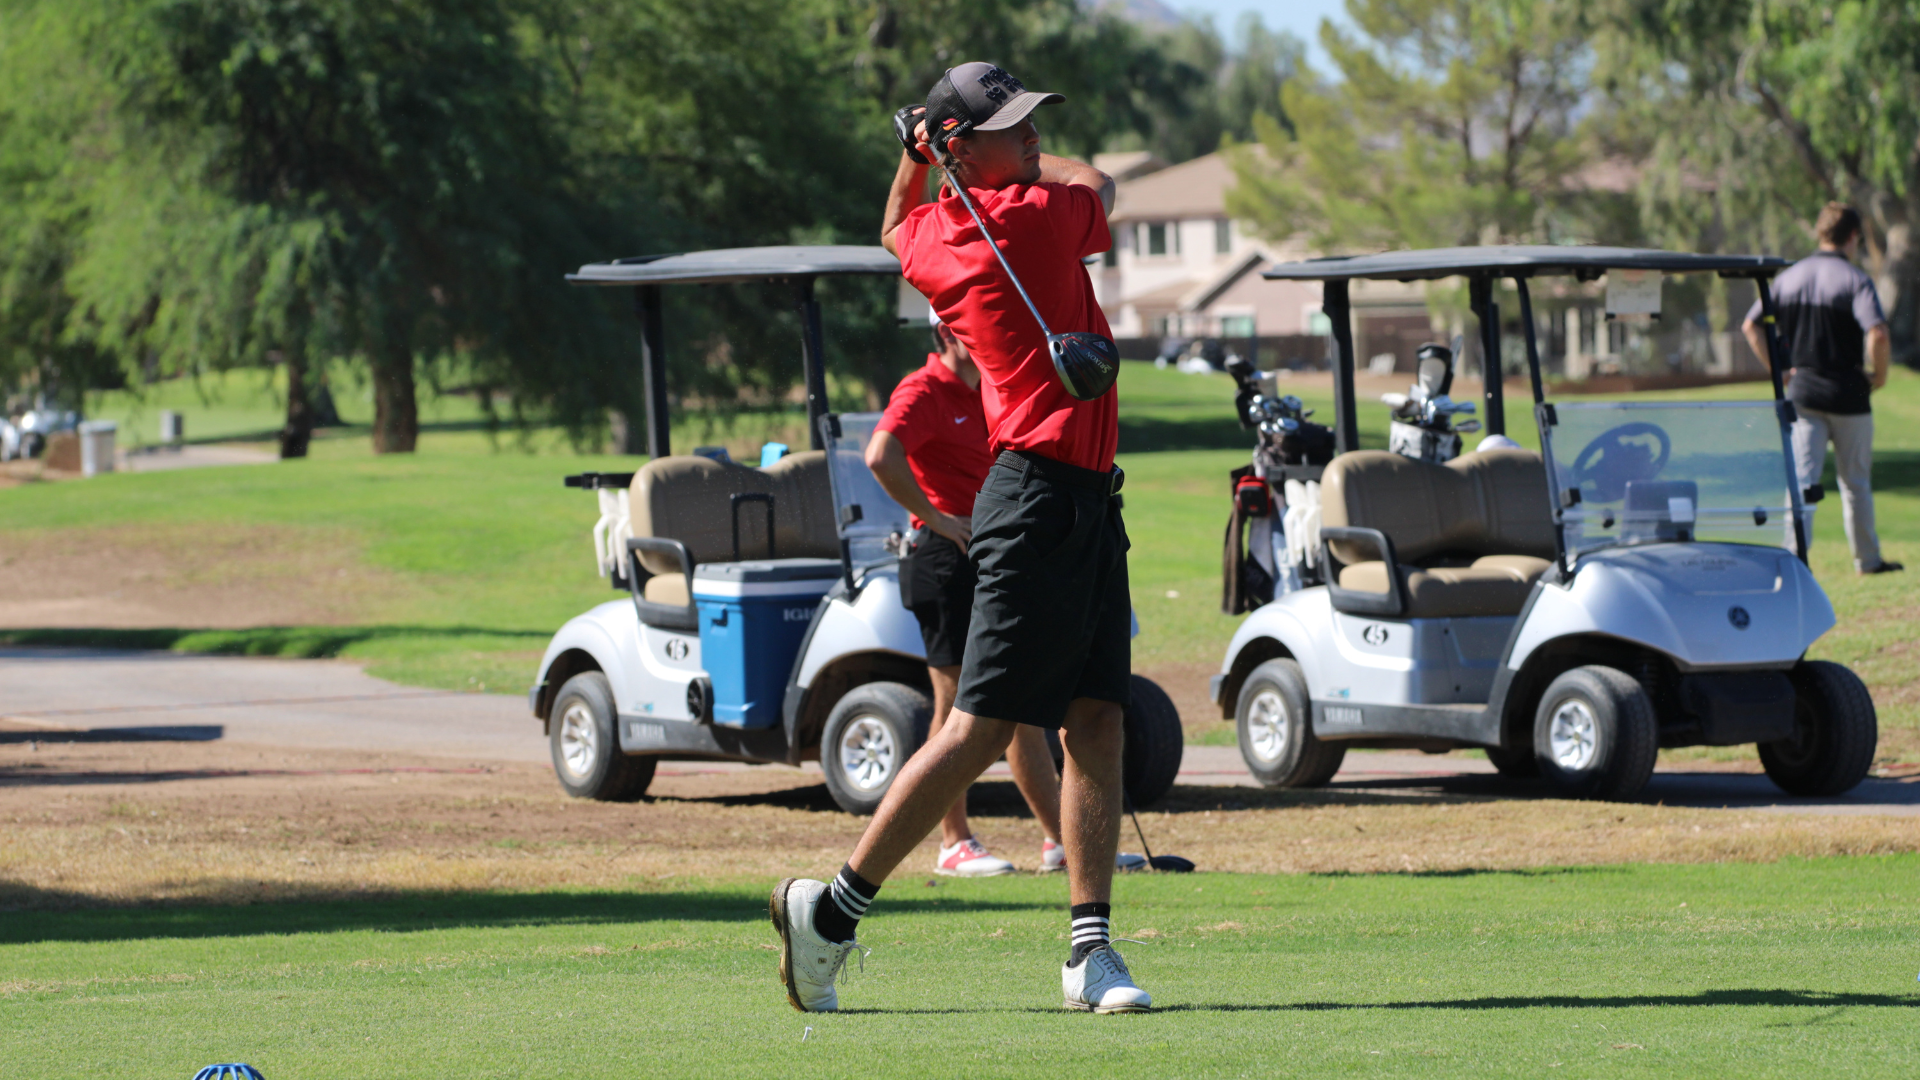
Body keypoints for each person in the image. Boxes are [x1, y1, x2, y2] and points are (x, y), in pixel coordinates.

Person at [772, 61, 1150, 1015]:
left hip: (1085, 498)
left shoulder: (941, 235)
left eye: (1032, 122)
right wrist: (964, 158)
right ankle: (830, 914)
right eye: (1010, 126)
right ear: (961, 147)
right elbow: (1100, 182)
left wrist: (918, 160)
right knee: (978, 727)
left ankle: (1090, 953)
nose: (1031, 137)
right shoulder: (1031, 215)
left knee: (1097, 720)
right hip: (1033, 498)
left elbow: (895, 226)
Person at [867, 312, 1149, 877]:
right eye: (968, 328)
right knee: (958, 707)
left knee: (1017, 709)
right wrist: (937, 518)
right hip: (943, 557)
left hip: (994, 551)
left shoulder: (992, 386)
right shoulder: (923, 390)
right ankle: (954, 843)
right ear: (947, 333)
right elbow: (881, 454)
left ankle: (1059, 840)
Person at [1742, 202, 1902, 575]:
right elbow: (1878, 333)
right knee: (1856, 484)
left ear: (1820, 232)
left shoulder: (1789, 278)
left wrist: (1780, 371)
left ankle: (1794, 561)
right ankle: (1868, 560)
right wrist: (1879, 376)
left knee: (1801, 483)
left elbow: (1751, 326)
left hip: (1804, 394)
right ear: (1853, 236)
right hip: (1850, 395)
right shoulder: (1854, 280)